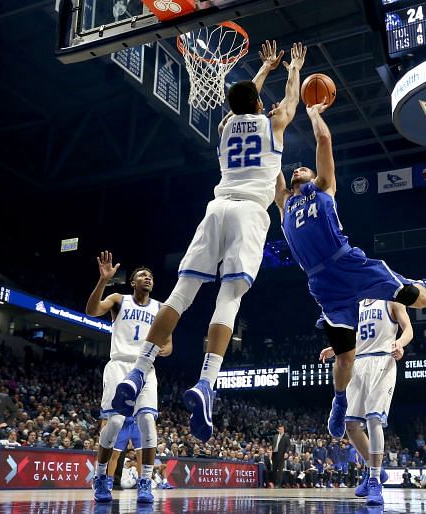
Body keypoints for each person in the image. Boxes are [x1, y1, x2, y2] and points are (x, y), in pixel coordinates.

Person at [111, 40, 308, 444]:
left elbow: (244, 101)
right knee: (229, 298)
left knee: (181, 294)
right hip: (250, 212)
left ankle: (138, 370)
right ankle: (206, 383)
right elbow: (291, 100)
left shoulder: (223, 129)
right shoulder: (274, 125)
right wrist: (291, 69)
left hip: (216, 207)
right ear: (258, 104)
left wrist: (262, 70)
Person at [274, 101, 426, 443]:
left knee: (419, 301)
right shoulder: (284, 204)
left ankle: (417, 284)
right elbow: (271, 158)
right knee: (345, 356)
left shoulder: (324, 188)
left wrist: (313, 114)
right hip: (321, 282)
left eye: (302, 169)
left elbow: (323, 143)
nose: (298, 171)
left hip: (347, 263)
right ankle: (338, 402)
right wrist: (274, 123)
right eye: (295, 171)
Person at [86, 254, 168, 504]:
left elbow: (169, 346)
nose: (148, 278)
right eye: (143, 275)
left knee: (147, 422)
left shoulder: (161, 308)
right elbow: (91, 311)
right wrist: (103, 281)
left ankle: (145, 482)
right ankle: (100, 476)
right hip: (119, 365)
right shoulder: (118, 300)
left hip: (145, 368)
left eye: (151, 276)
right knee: (114, 422)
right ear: (132, 282)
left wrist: (160, 349)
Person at [318, 299, 413, 505]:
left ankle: (374, 480)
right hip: (357, 363)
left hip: (382, 360)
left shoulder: (391, 300)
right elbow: (352, 337)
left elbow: (408, 330)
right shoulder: (356, 304)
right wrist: (334, 348)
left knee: (374, 419)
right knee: (351, 425)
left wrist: (400, 343)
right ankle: (374, 468)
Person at [271, 423, 290, 487]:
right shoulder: (275, 436)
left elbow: (288, 446)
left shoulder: (286, 436)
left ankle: (278, 484)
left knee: (280, 470)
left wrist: (286, 452)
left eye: (282, 429)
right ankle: (274, 482)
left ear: (283, 429)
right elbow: (273, 444)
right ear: (278, 430)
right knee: (274, 469)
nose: (281, 430)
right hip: (274, 454)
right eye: (279, 429)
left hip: (281, 455)